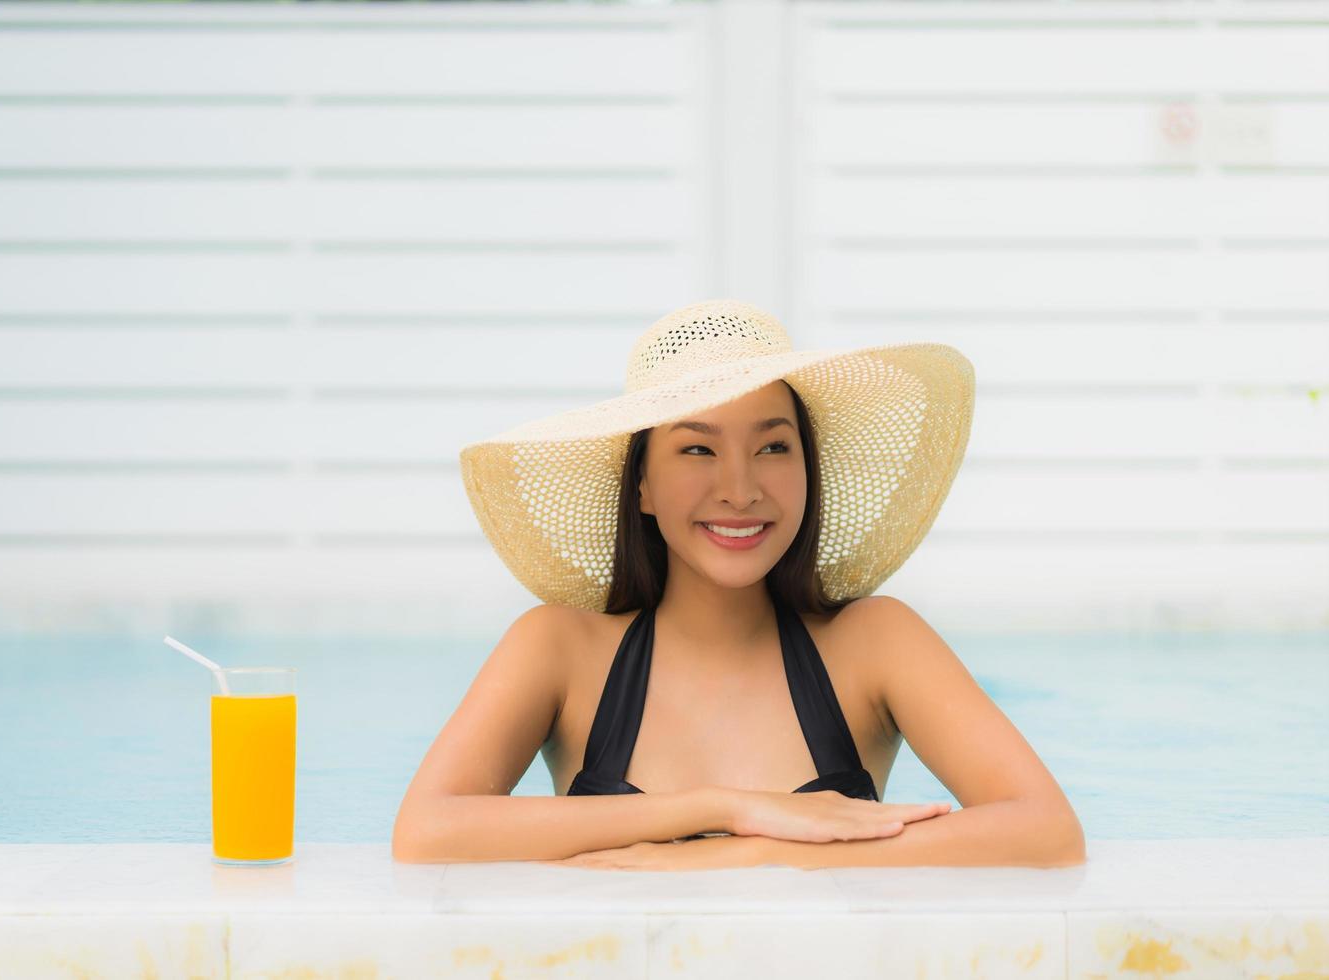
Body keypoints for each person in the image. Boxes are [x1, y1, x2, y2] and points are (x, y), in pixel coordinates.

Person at [392, 299, 1085, 871]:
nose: (740, 488)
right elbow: (426, 834)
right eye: (697, 448)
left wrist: (745, 858)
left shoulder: (876, 642)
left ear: (807, 473)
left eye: (773, 447)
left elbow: (1046, 831)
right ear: (642, 485)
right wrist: (724, 808)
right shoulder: (559, 647)